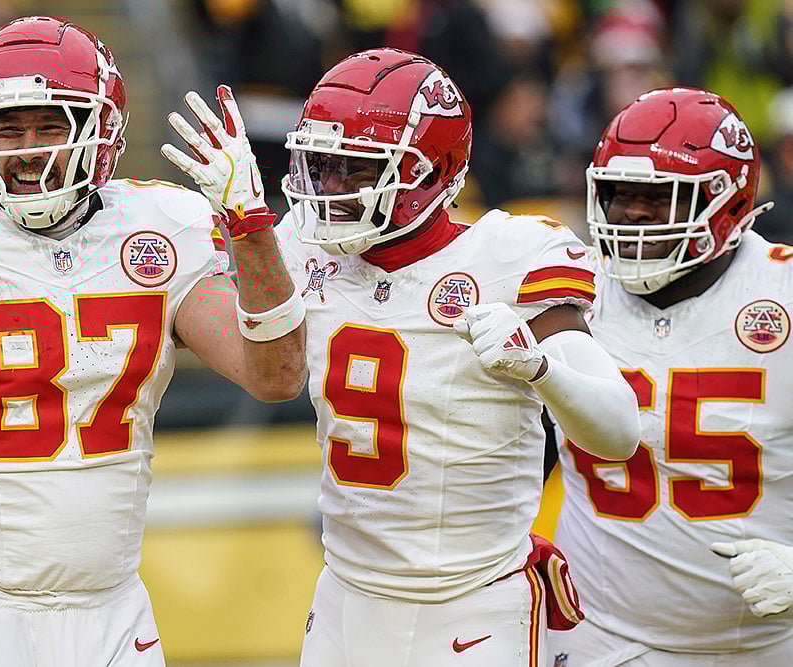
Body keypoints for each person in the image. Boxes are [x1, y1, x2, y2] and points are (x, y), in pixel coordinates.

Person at [0, 16, 305, 667]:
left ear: (100, 132)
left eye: (50, 125)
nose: (28, 147)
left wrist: (252, 226)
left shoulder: (160, 228)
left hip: (113, 602)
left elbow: (277, 376)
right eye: (7, 128)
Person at [163, 48, 641, 666]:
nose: (329, 188)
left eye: (355, 170)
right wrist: (246, 225)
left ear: (432, 172)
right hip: (345, 597)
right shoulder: (296, 249)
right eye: (322, 165)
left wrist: (543, 372)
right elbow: (263, 365)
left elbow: (620, 432)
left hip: (475, 603)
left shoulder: (510, 254)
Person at [548, 87, 793, 666]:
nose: (631, 213)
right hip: (594, 635)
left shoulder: (783, 294)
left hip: (760, 646)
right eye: (619, 195)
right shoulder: (564, 288)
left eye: (659, 200)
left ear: (726, 204)